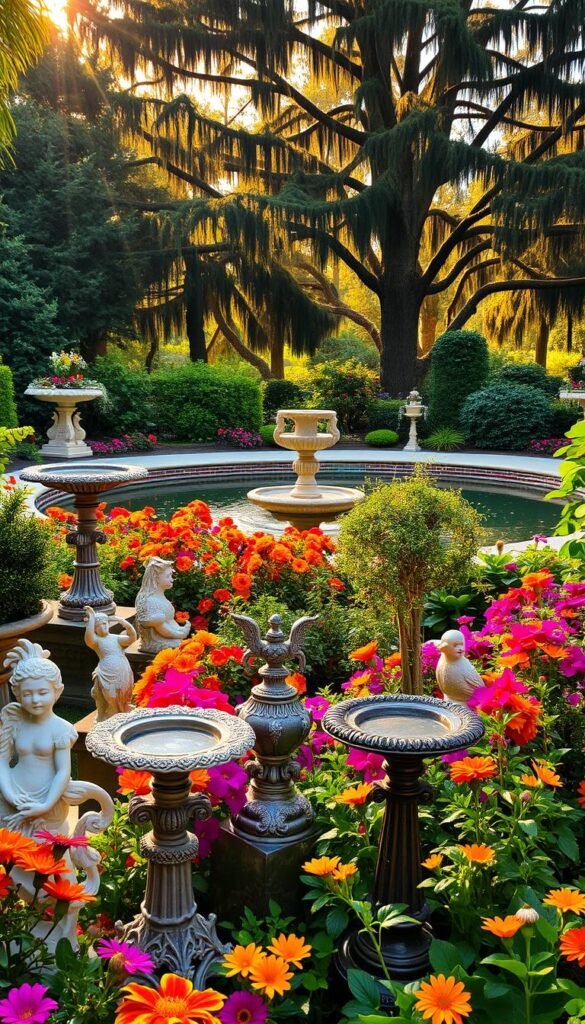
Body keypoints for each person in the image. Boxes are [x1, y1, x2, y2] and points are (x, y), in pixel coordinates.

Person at [84, 606, 136, 721]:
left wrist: (125, 624)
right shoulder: (96, 641)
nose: (103, 627)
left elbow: (132, 638)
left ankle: (120, 711)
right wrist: (91, 618)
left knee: (123, 691)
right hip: (106, 671)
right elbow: (88, 638)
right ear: (95, 629)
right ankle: (108, 714)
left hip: (122, 669)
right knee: (109, 695)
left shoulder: (115, 638)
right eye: (99, 626)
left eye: (105, 624)